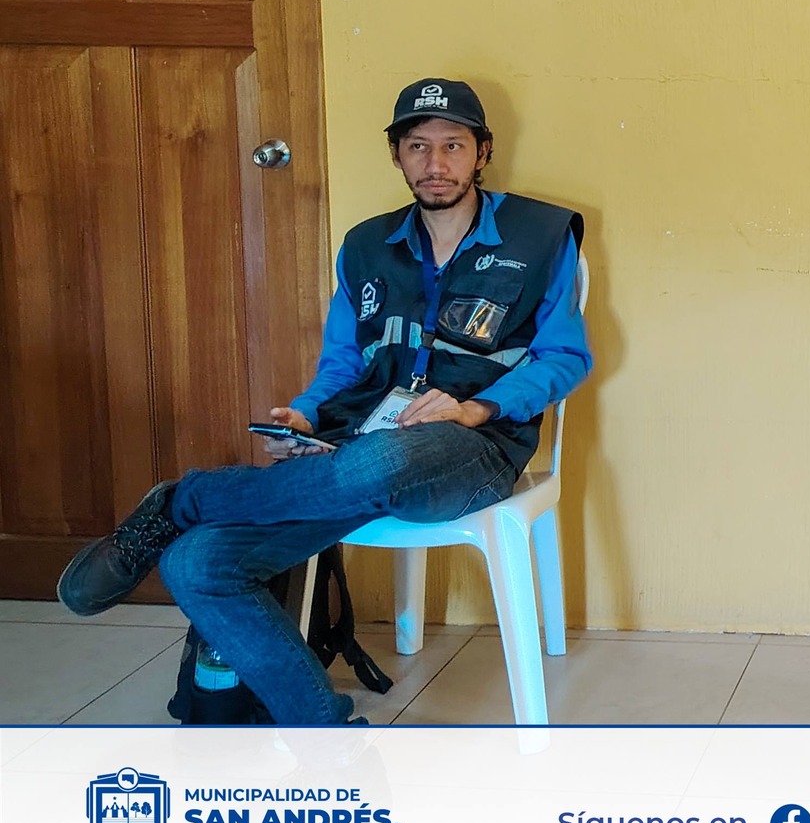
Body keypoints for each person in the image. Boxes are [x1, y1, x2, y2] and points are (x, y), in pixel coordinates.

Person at [58, 78, 591, 724]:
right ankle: (327, 735)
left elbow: (565, 357)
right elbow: (342, 362)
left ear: (483, 152)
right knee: (193, 561)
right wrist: (306, 415)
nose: (435, 162)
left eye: (453, 145)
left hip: (474, 447)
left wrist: (475, 409)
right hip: (355, 445)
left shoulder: (539, 235)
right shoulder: (367, 246)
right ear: (396, 155)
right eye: (417, 146)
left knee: (380, 461)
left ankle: (183, 500)